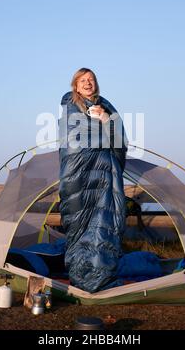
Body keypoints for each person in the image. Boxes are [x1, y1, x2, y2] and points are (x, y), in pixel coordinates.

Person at [58, 68, 128, 293]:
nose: (88, 83)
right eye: (83, 80)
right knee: (80, 223)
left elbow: (119, 141)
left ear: (95, 84)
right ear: (75, 86)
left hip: (104, 176)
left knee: (103, 223)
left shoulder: (106, 107)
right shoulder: (70, 108)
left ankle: (101, 275)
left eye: (91, 80)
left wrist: (106, 119)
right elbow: (70, 145)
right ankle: (81, 274)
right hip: (79, 176)